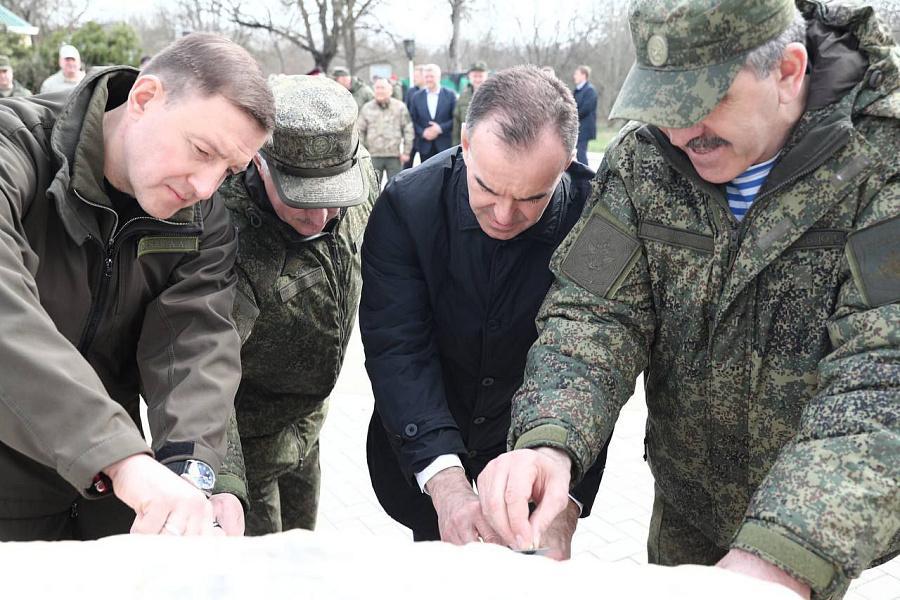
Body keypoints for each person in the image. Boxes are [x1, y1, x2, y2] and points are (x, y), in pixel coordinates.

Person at [477, 1, 899, 598]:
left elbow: (883, 371)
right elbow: (595, 311)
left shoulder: (884, 164)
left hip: (811, 536)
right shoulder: (643, 158)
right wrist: (550, 442)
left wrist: (780, 557)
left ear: (787, 70)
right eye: (663, 104)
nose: (679, 132)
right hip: (683, 512)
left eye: (700, 102)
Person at [0, 32, 274, 541]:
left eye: (229, 171)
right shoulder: (15, 148)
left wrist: (190, 469)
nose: (205, 186)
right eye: (201, 150)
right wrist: (119, 457)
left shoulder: (201, 216)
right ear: (145, 98)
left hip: (112, 505)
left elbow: (196, 342)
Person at [361, 66, 608, 558]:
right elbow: (398, 348)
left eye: (532, 198)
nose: (502, 215)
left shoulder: (597, 219)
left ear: (565, 166)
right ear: (467, 145)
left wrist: (565, 493)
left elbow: (596, 353)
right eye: (488, 188)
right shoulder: (405, 207)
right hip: (428, 431)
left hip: (542, 431)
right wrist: (446, 484)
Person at [209, 75, 378, 535]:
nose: (321, 218)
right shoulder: (223, 237)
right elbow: (203, 362)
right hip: (247, 445)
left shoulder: (358, 178)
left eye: (334, 200)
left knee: (305, 550)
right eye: (303, 203)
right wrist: (224, 479)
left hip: (307, 428)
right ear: (260, 165)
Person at [358, 78, 414, 186]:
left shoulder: (400, 107)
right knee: (372, 187)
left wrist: (406, 152)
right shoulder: (367, 108)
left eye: (383, 88)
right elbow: (359, 131)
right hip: (372, 156)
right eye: (377, 88)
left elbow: (408, 129)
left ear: (390, 91)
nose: (380, 91)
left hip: (394, 156)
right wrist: (362, 152)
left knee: (395, 188)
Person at [407, 64, 456, 165]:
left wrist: (440, 128)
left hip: (445, 146)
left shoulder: (450, 95)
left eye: (431, 76)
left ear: (439, 77)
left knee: (446, 178)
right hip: (425, 146)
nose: (429, 79)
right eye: (426, 77)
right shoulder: (416, 97)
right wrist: (423, 132)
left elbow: (455, 119)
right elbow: (412, 120)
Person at [452, 61, 488, 146]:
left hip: (488, 144)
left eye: (480, 76)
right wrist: (455, 147)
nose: (477, 79)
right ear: (469, 77)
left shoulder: (495, 94)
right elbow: (456, 123)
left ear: (486, 76)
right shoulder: (463, 96)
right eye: (475, 76)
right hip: (468, 144)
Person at [573, 65, 598, 165]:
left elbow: (586, 109)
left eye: (576, 74)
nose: (574, 76)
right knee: (578, 154)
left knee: (581, 154)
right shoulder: (577, 90)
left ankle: (586, 178)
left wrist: (572, 115)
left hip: (585, 128)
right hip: (578, 127)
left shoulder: (590, 91)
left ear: (583, 75)